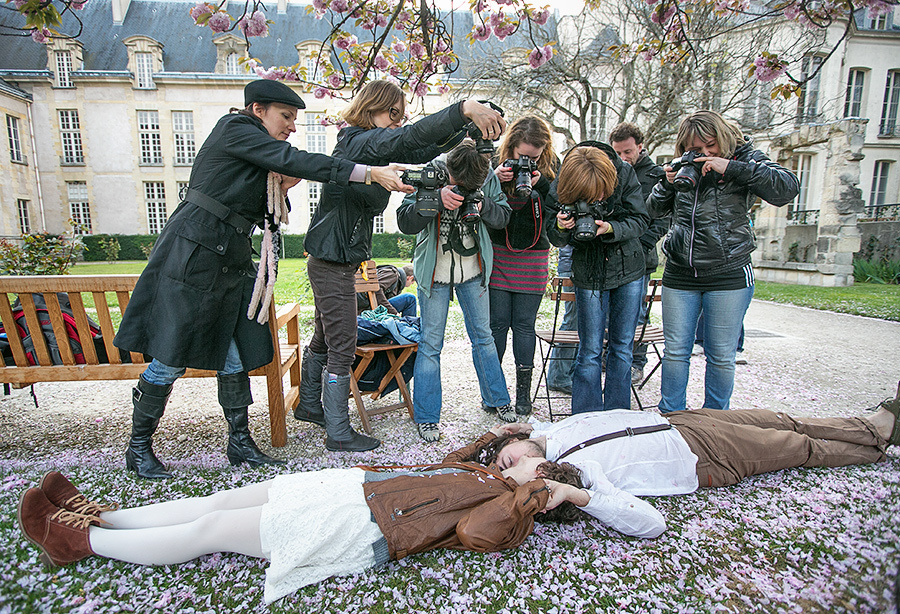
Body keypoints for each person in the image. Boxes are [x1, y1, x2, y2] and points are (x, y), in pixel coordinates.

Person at [113, 80, 410, 479]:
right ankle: (138, 448)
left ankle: (240, 443)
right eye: (285, 117)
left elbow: (266, 201)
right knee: (169, 354)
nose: (291, 126)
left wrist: (282, 184)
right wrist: (366, 171)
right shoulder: (234, 128)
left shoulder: (255, 151)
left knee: (233, 354)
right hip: (194, 256)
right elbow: (296, 159)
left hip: (229, 258)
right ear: (258, 110)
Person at [17, 445, 587, 604]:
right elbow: (454, 461)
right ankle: (104, 518)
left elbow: (475, 536)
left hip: (360, 525)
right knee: (217, 500)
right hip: (352, 487)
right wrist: (501, 449)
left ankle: (79, 542)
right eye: (521, 449)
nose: (518, 457)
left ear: (543, 485)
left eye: (534, 461)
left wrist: (542, 492)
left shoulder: (507, 510)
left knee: (212, 529)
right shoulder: (481, 470)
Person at [296, 80, 506, 453]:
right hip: (331, 257)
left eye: (401, 115)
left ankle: (311, 406)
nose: (398, 122)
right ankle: (338, 431)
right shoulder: (356, 141)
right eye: (392, 114)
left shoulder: (368, 149)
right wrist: (461, 110)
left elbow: (420, 144)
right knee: (342, 343)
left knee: (326, 337)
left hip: (340, 256)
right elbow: (406, 141)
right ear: (371, 107)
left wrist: (462, 130)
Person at [461, 383, 900, 539]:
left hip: (681, 422)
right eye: (507, 467)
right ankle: (875, 438)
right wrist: (577, 495)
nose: (509, 459)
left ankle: (870, 429)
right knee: (793, 447)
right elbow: (652, 524)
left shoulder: (547, 436)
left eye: (504, 457)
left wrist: (505, 433)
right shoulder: (581, 477)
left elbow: (530, 432)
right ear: (532, 476)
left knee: (780, 418)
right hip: (701, 456)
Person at [647, 110, 799, 413]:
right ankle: (671, 417)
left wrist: (732, 168)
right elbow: (653, 210)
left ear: (723, 139)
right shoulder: (686, 163)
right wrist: (667, 183)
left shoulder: (746, 156)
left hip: (728, 271)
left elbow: (786, 188)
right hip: (681, 269)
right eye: (695, 148)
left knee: (720, 354)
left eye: (710, 146)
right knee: (676, 351)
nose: (703, 154)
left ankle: (717, 422)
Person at [397, 140, 513, 442]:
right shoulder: (430, 172)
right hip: (434, 272)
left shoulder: (485, 174)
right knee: (430, 344)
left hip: (474, 270)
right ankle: (426, 417)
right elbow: (404, 220)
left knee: (484, 338)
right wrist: (435, 199)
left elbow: (503, 217)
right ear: (449, 169)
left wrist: (483, 203)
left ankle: (497, 401)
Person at [547, 143, 649, 413]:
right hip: (589, 271)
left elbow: (641, 220)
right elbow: (554, 237)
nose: (596, 201)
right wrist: (560, 225)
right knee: (590, 349)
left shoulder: (624, 173)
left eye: (601, 194)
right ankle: (586, 417)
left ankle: (617, 415)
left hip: (628, 269)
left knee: (622, 348)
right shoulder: (563, 182)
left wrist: (611, 228)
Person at [488, 115, 560, 417]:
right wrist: (495, 177)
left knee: (524, 326)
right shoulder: (495, 163)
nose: (528, 161)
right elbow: (479, 199)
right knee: (497, 326)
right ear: (511, 146)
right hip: (499, 254)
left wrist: (541, 183)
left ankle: (522, 396)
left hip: (533, 257)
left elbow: (558, 209)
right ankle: (494, 391)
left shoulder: (552, 170)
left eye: (535, 156)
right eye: (522, 156)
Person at [609, 122, 669, 385]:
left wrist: (639, 243)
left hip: (641, 258)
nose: (624, 158)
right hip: (611, 255)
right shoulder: (610, 170)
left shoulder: (655, 176)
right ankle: (609, 359)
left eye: (628, 152)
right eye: (618, 152)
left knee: (638, 314)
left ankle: (636, 363)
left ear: (640, 147)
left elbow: (663, 218)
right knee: (611, 312)